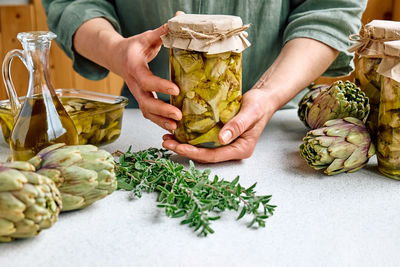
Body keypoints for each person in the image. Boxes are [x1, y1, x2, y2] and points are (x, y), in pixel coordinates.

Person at [42, 0, 367, 163]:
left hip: (278, 132)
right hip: (144, 129)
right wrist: (116, 50)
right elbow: (74, 3)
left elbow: (332, 7)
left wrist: (269, 94)